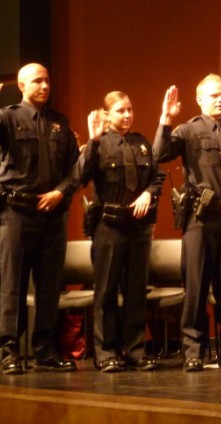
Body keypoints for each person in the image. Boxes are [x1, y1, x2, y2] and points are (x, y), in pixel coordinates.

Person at [153, 75, 221, 372]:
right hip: (201, 220)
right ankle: (193, 352)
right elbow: (159, 155)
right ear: (200, 99)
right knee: (196, 289)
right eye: (213, 95)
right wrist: (165, 119)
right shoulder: (188, 130)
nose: (220, 99)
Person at [75, 92, 165, 372]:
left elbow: (157, 176)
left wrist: (149, 194)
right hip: (109, 226)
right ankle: (105, 353)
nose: (127, 115)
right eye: (120, 111)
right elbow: (80, 176)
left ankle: (135, 350)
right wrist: (92, 140)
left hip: (138, 228)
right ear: (107, 114)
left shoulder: (141, 143)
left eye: (129, 109)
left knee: (136, 291)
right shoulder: (98, 143)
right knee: (106, 292)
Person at [0, 63, 80, 375]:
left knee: (49, 285)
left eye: (47, 80)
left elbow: (76, 170)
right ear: (21, 85)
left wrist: (61, 192)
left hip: (53, 216)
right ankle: (8, 350)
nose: (45, 86)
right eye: (37, 81)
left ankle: (45, 350)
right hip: (17, 214)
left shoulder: (59, 123)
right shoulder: (7, 118)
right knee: (12, 284)